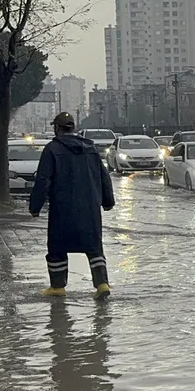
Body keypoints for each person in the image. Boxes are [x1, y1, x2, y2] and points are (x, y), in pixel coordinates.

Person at [28, 112, 115, 299]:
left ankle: (58, 287)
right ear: (73, 128)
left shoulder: (52, 150)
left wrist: (35, 206)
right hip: (90, 209)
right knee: (94, 246)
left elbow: (43, 180)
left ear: (57, 129)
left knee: (57, 246)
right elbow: (103, 176)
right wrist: (108, 201)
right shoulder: (90, 150)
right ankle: (102, 284)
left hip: (62, 209)